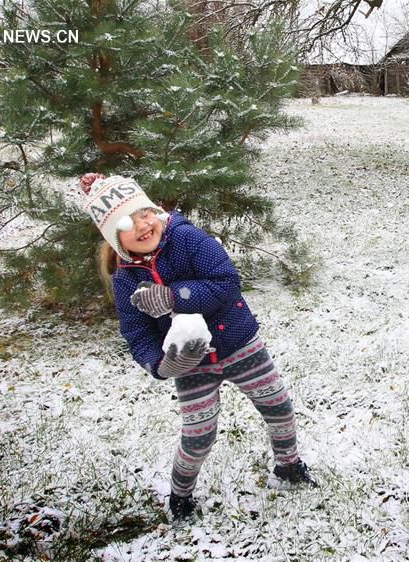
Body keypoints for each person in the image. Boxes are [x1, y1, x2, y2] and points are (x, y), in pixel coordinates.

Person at [79, 173, 317, 520]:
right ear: (114, 238)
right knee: (198, 437)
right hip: (191, 364)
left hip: (239, 344)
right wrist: (160, 365)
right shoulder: (126, 278)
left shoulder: (187, 238)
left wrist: (174, 296)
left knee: (278, 407)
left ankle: (289, 466)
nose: (143, 225)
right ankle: (180, 498)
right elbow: (136, 332)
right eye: (128, 223)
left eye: (145, 212)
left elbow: (226, 282)